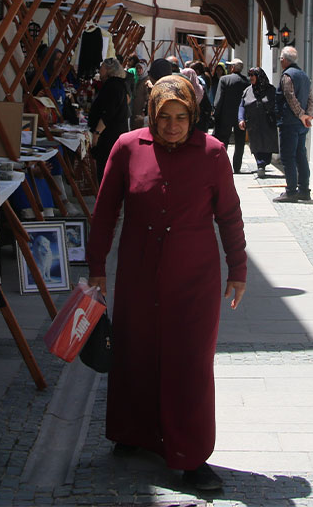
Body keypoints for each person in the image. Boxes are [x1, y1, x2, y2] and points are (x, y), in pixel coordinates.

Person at [86, 75, 247, 494]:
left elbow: (229, 215)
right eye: (164, 117)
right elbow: (105, 212)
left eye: (181, 117)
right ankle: (133, 432)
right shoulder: (126, 148)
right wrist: (96, 266)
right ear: (151, 115)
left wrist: (239, 268)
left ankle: (192, 457)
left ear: (193, 116)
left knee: (189, 364)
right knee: (136, 354)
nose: (172, 125)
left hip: (194, 278)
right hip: (139, 274)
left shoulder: (212, 154)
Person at [274, 46, 313, 202]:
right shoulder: (304, 76)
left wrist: (301, 115)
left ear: (284, 60)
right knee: (301, 155)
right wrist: (307, 116)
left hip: (289, 122)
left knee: (288, 157)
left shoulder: (287, 76)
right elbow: (310, 97)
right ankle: (304, 189)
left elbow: (290, 98)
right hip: (301, 124)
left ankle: (291, 191)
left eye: (280, 59)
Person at [88, 56, 131, 182]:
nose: (99, 70)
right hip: (114, 135)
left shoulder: (113, 86)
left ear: (108, 69)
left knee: (106, 172)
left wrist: (96, 133)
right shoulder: (118, 85)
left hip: (109, 137)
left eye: (101, 67)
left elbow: (107, 114)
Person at [239, 67, 280, 178]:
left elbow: (277, 105)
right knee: (256, 144)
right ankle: (260, 164)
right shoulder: (248, 90)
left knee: (267, 145)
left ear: (259, 76)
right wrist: (241, 119)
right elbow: (242, 106)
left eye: (253, 75)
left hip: (267, 123)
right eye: (250, 75)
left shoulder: (271, 90)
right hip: (253, 123)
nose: (251, 78)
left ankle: (264, 162)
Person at [212, 58, 249, 174]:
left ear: (233, 68)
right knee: (240, 142)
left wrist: (215, 113)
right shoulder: (246, 81)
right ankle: (237, 166)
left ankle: (222, 165)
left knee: (223, 141)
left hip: (225, 115)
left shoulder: (224, 79)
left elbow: (219, 99)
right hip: (240, 116)